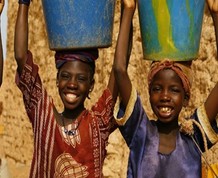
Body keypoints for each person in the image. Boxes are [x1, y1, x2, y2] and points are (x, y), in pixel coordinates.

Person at [14, 0, 122, 177]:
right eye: (65, 76)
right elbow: (20, 57)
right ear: (57, 80)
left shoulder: (98, 123)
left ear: (91, 86)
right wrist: (23, 3)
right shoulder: (43, 118)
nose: (72, 84)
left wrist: (128, 11)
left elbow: (119, 69)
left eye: (81, 79)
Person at [113, 0, 218, 177]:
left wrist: (215, 15)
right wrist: (128, 11)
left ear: (186, 98)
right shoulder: (140, 131)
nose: (165, 96)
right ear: (149, 93)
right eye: (157, 89)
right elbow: (119, 70)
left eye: (174, 90)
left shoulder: (194, 137)